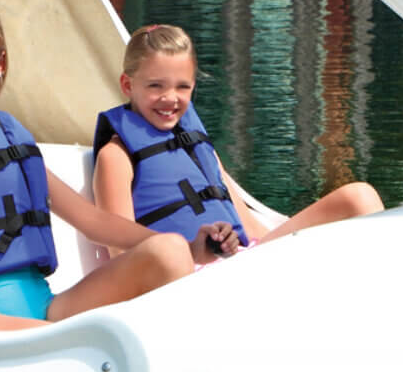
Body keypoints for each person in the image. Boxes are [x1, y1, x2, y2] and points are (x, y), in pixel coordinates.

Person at [0, 0, 205, 330]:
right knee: (89, 339)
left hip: (44, 304)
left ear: (2, 63)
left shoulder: (12, 141)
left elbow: (93, 221)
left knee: (168, 251)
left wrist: (190, 248)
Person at [93, 24, 383, 259]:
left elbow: (244, 221)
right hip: (186, 279)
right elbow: (122, 255)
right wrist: (194, 253)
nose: (170, 98)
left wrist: (256, 246)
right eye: (155, 85)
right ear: (128, 85)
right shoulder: (115, 157)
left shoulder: (194, 145)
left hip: (244, 260)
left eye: (183, 87)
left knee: (359, 197)